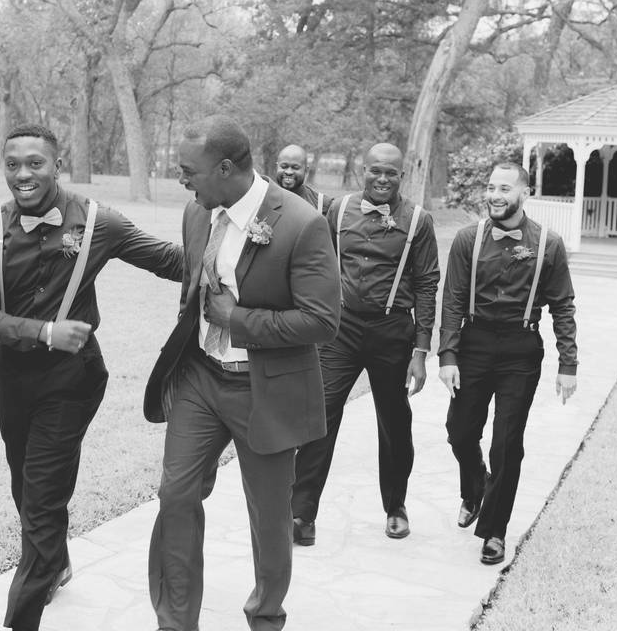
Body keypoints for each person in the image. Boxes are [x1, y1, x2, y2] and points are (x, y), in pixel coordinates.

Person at [0, 123, 183, 631]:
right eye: (12, 164)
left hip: (72, 380)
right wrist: (43, 332)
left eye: (35, 162)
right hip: (14, 377)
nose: (23, 174)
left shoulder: (98, 221)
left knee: (41, 504)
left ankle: (22, 618)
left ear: (56, 165)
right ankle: (55, 560)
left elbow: (167, 260)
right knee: (24, 486)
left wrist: (239, 258)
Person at [143, 116, 340, 631]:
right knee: (175, 495)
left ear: (226, 167)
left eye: (190, 171)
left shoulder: (300, 223)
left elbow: (322, 320)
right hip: (200, 378)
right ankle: (176, 621)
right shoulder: (197, 211)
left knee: (269, 517)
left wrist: (237, 319)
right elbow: (195, 276)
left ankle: (266, 615)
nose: (182, 180)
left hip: (265, 389)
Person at [291, 142, 440, 545]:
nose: (382, 179)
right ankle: (301, 515)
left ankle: (395, 506)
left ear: (401, 176)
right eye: (375, 171)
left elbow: (428, 284)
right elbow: (313, 261)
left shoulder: (418, 221)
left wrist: (421, 351)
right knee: (320, 414)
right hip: (340, 329)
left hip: (392, 332)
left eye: (391, 173)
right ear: (362, 171)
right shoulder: (337, 211)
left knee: (394, 421)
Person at [437, 162, 578, 565]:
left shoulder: (548, 243)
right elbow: (452, 300)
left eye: (505, 188)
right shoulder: (468, 239)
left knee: (506, 444)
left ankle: (494, 532)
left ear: (523, 193)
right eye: (491, 187)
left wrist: (568, 363)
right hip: (474, 343)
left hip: (521, 347)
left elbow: (563, 305)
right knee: (460, 432)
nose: (495, 195)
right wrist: (447, 355)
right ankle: (474, 487)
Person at [274, 144, 331, 215]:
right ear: (277, 167)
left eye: (295, 167)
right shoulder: (264, 198)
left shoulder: (322, 204)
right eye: (284, 166)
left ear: (306, 170)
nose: (289, 172)